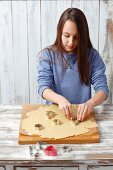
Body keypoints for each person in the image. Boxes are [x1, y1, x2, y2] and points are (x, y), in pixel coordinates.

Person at [37, 8, 109, 121]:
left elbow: (103, 90)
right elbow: (43, 88)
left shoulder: (92, 56)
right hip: (54, 116)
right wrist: (60, 100)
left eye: (76, 37)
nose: (71, 42)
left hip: (82, 117)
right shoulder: (47, 55)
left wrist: (90, 103)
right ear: (59, 31)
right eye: (66, 35)